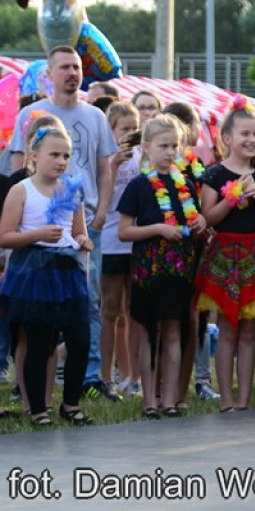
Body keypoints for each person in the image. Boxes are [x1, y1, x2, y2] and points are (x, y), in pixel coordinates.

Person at [9, 46, 120, 403]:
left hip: (81, 223)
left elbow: (104, 169)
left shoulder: (95, 116)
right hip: (34, 228)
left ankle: (89, 377)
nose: (72, 73)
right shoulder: (32, 113)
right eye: (65, 67)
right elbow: (14, 169)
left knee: (87, 304)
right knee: (33, 314)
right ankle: (28, 388)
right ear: (50, 74)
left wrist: (100, 213)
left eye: (77, 67)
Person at [0, 126, 95, 426]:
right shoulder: (21, 190)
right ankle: (38, 408)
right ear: (35, 155)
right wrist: (38, 234)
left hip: (67, 270)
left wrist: (83, 240)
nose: (61, 161)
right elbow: (4, 236)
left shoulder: (72, 190)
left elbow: (77, 230)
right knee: (39, 341)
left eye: (66, 155)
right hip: (34, 270)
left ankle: (70, 403)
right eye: (54, 154)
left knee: (80, 338)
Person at [194, 96, 255, 412]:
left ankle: (244, 401)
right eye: (244, 134)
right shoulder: (215, 175)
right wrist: (231, 198)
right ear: (227, 138)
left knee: (249, 330)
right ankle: (227, 401)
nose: (251, 139)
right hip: (224, 254)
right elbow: (208, 219)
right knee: (228, 329)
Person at [118, 114, 206, 419]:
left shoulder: (185, 185)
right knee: (148, 332)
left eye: (175, 146)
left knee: (173, 331)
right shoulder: (139, 186)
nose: (170, 152)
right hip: (149, 270)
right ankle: (149, 400)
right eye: (163, 145)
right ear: (147, 147)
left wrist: (201, 223)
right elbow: (124, 231)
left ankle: (170, 400)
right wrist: (157, 229)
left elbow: (192, 221)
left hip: (179, 270)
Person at [162, 101, 219, 404]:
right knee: (173, 321)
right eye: (196, 124)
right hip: (168, 254)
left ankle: (195, 381)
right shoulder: (163, 170)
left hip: (196, 249)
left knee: (197, 318)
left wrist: (204, 222)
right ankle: (168, 386)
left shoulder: (199, 169)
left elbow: (202, 208)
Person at [99, 102, 142, 399]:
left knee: (132, 310)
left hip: (137, 239)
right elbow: (104, 194)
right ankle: (105, 375)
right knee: (109, 309)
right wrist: (114, 164)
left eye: (133, 128)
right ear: (111, 130)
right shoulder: (106, 159)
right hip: (111, 239)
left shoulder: (143, 156)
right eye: (123, 128)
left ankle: (132, 375)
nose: (129, 134)